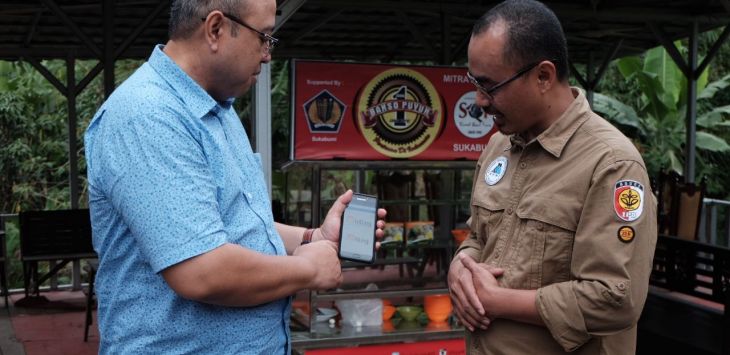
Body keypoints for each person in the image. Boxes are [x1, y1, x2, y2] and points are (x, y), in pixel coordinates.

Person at [84, 0, 386, 353]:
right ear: (215, 29)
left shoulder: (215, 109)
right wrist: (307, 270)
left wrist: (310, 236)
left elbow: (229, 223)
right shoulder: (148, 116)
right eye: (265, 37)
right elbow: (201, 270)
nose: (267, 54)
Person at [447, 0, 657, 354]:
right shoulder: (499, 146)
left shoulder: (611, 164)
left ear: (543, 76)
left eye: (490, 86)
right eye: (474, 83)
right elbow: (481, 237)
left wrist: (497, 301)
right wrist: (459, 268)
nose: (479, 101)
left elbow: (615, 297)